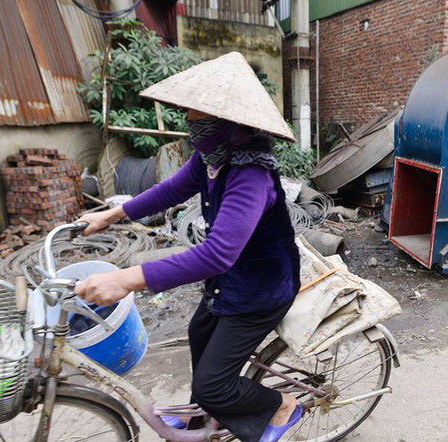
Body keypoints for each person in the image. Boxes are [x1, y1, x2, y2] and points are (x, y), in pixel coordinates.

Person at [75, 52, 303, 442]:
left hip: (260, 292)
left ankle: (282, 403)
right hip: (228, 281)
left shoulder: (251, 174)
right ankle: (205, 414)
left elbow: (216, 253)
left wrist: (129, 279)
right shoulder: (213, 157)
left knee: (213, 385)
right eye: (189, 115)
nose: (189, 124)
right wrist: (111, 215)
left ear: (228, 124)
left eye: (197, 117)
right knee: (201, 339)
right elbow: (172, 190)